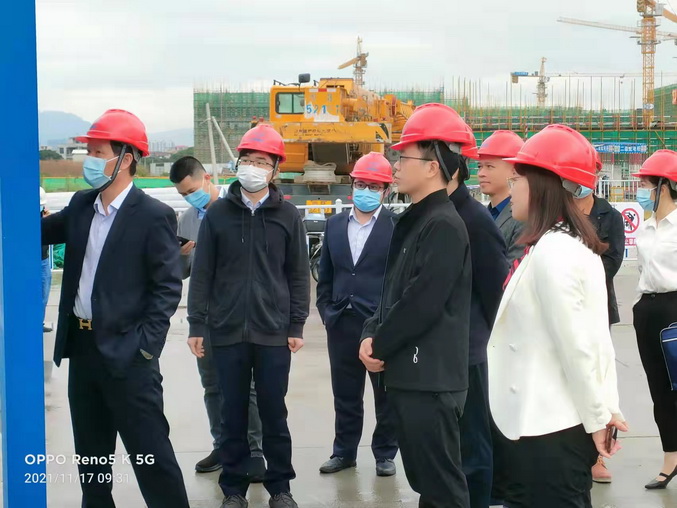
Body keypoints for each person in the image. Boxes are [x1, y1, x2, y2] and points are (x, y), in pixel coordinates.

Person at [41, 109, 189, 508]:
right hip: (83, 350)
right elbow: (38, 232)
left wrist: (145, 348)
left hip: (129, 355)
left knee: (151, 457)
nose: (88, 159)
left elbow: (167, 287)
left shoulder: (153, 215)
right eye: (88, 150)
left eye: (97, 152)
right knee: (92, 460)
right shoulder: (81, 204)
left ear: (125, 159)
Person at [487, 124, 627, 508]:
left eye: (517, 179)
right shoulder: (556, 245)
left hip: (549, 432)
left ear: (543, 185)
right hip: (542, 425)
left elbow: (579, 346)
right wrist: (606, 409)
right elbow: (596, 342)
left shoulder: (555, 253)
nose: (512, 188)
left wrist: (599, 417)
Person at [187, 124, 310, 508]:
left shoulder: (288, 216)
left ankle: (280, 487)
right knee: (232, 415)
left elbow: (297, 274)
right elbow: (202, 272)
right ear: (237, 163)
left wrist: (296, 323)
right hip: (226, 331)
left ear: (275, 170)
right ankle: (234, 488)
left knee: (274, 413)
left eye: (262, 162)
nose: (253, 167)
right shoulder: (218, 214)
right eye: (247, 160)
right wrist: (196, 323)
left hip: (273, 332)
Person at [359, 103, 474, 508]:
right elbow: (393, 291)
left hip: (431, 380)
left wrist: (379, 344)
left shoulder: (443, 224)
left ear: (432, 167)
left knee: (443, 488)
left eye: (403, 157)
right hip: (413, 377)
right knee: (429, 485)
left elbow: (421, 303)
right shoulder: (417, 220)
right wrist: (370, 331)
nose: (395, 166)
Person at [170, 156, 265, 477]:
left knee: (246, 386)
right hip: (207, 316)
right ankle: (223, 446)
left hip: (242, 312)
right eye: (183, 195)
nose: (190, 198)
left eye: (192, 190)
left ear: (207, 178)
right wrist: (178, 255)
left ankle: (254, 451)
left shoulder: (238, 209)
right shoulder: (187, 220)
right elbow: (182, 272)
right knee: (212, 385)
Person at [316, 152, 398, 477]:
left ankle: (385, 453)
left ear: (386, 191)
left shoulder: (396, 227)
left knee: (385, 393)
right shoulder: (335, 225)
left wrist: (387, 320)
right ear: (352, 185)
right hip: (341, 321)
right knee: (345, 394)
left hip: (379, 324)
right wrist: (326, 311)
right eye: (361, 184)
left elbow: (398, 280)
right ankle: (344, 452)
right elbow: (325, 275)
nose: (366, 191)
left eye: (374, 186)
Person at [447, 151, 508, 507]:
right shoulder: (437, 213)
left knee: (473, 443)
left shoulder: (474, 219)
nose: (397, 167)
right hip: (444, 351)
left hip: (470, 348)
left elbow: (494, 291)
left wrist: (484, 340)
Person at [573, 153, 625, 484]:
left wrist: (577, 280)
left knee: (598, 378)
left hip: (596, 306)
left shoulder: (610, 216)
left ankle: (599, 456)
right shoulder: (558, 212)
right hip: (563, 305)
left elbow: (613, 260)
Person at [632, 149, 677, 490]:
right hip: (647, 309)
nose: (642, 190)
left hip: (674, 309)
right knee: (659, 389)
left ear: (665, 186)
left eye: (647, 183)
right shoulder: (647, 228)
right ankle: (671, 458)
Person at [477, 130, 526, 263]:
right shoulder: (482, 215)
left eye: (489, 166)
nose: (481, 173)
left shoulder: (523, 220)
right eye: (479, 166)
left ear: (514, 171)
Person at [40, 186, 53, 333]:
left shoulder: (44, 218)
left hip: (43, 260)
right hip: (31, 261)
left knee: (43, 295)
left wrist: (47, 221)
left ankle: (39, 322)